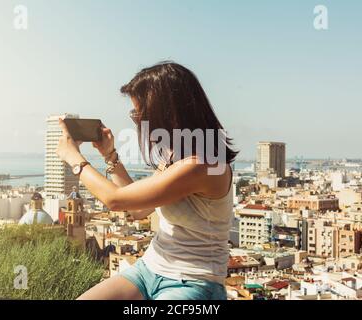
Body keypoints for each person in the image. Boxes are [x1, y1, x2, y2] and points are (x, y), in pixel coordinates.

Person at [56, 61, 238, 300]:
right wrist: (110, 156)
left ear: (166, 114)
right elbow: (140, 210)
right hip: (149, 269)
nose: (136, 122)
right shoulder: (174, 157)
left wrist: (74, 159)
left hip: (192, 282)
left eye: (139, 114)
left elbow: (115, 200)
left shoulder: (202, 165)